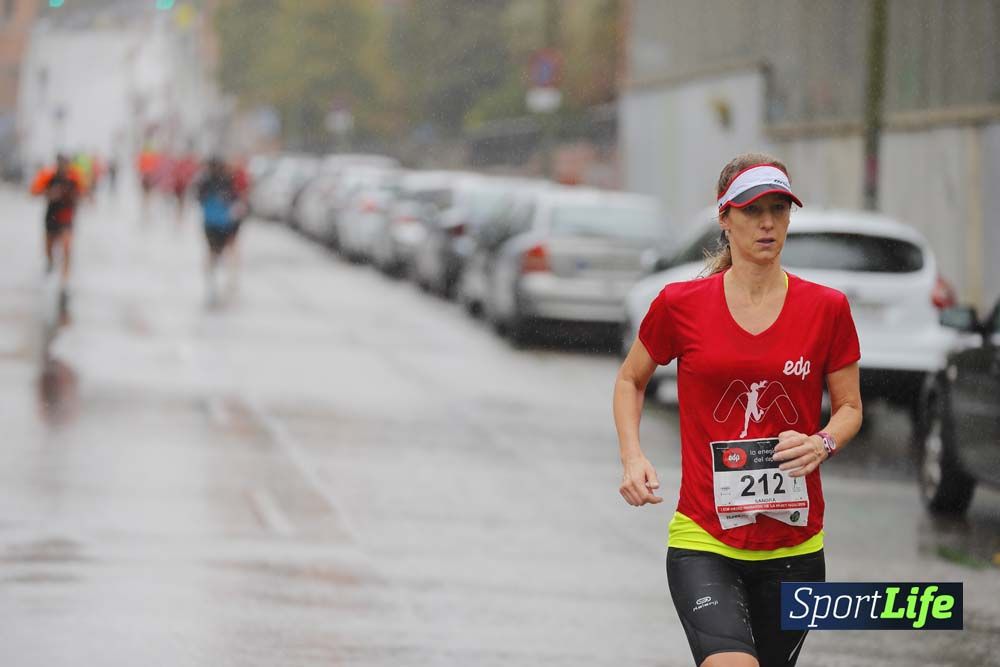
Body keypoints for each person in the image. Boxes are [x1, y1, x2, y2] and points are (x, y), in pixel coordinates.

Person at [612, 153, 863, 667]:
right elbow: (630, 379)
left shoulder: (827, 308)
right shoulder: (681, 304)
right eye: (752, 210)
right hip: (705, 539)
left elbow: (850, 408)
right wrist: (632, 456)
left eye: (779, 209)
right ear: (725, 218)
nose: (767, 223)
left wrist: (822, 442)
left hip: (794, 551)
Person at [30, 154, 85, 285]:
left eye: (66, 165)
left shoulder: (74, 178)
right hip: (51, 216)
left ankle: (64, 281)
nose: (64, 168)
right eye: (61, 165)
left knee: (67, 247)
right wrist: (49, 193)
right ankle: (50, 262)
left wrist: (76, 197)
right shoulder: (49, 176)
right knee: (49, 245)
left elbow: (83, 193)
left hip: (67, 216)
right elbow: (33, 191)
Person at [195, 156, 241, 303]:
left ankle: (212, 279)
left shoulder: (204, 181)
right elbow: (235, 199)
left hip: (210, 222)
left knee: (211, 252)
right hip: (224, 222)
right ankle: (230, 278)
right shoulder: (227, 180)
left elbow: (199, 199)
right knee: (229, 250)